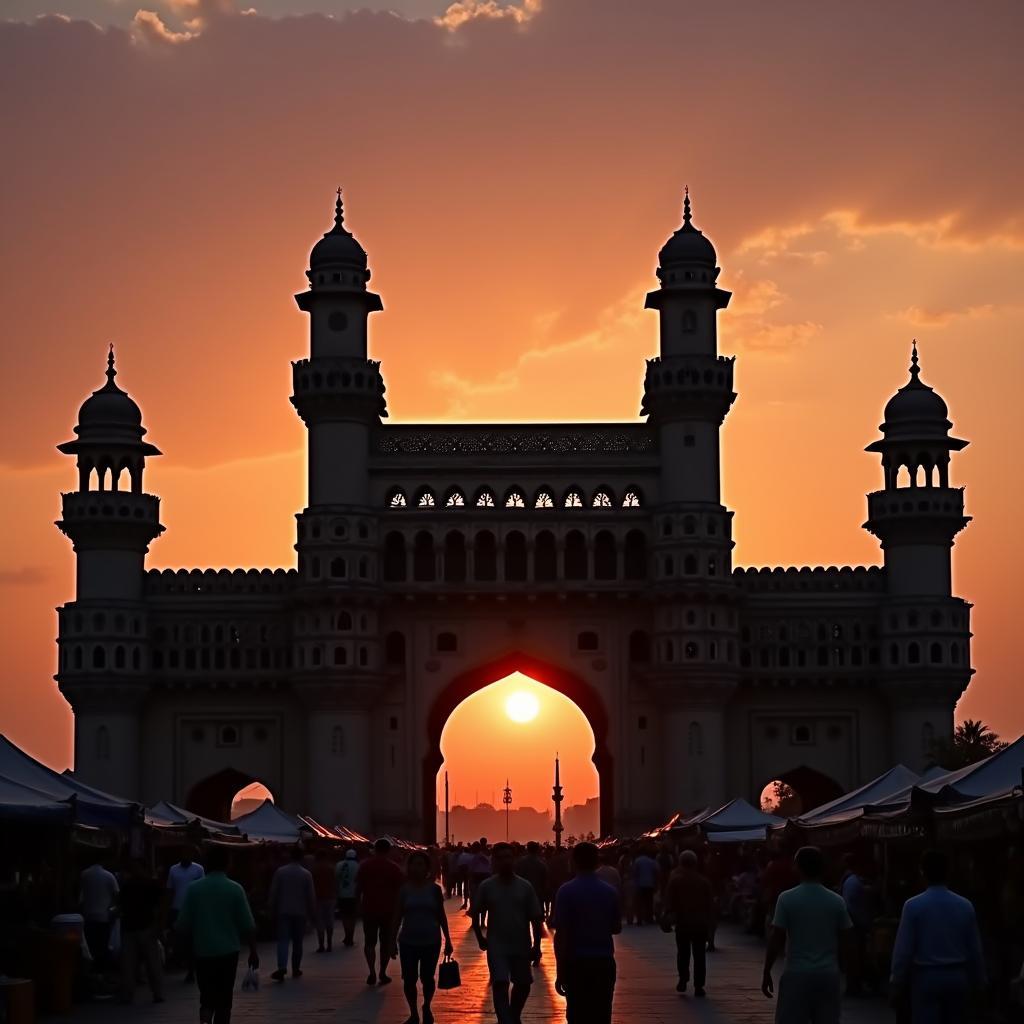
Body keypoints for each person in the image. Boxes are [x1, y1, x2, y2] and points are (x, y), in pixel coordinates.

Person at [890, 849, 986, 1023]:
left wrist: (896, 982)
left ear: (922, 872)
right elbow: (975, 950)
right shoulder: (965, 906)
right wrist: (980, 981)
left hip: (925, 978)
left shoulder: (913, 906)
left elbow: (903, 951)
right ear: (948, 872)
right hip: (958, 977)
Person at [761, 846, 853, 1024]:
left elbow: (776, 937)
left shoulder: (786, 899)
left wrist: (767, 970)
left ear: (798, 867)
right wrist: (849, 974)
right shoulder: (836, 900)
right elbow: (848, 939)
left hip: (797, 974)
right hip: (827, 975)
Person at [176, 844, 259, 1024]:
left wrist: (183, 949)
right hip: (228, 953)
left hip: (202, 951)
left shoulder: (193, 889)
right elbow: (248, 924)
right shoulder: (235, 889)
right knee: (224, 1001)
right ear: (227, 864)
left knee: (206, 999)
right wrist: (253, 951)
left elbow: (182, 925)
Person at [473, 842, 544, 1024]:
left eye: (508, 857)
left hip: (521, 944)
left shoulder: (525, 887)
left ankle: (513, 1015)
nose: (505, 862)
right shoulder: (487, 886)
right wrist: (480, 936)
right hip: (497, 945)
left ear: (514, 860)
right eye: (501, 858)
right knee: (500, 983)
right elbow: (476, 913)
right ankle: (505, 1020)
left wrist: (537, 945)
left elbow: (536, 918)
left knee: (523, 984)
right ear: (494, 861)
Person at [552, 842, 621, 1024]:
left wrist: (560, 971)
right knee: (602, 1013)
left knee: (577, 1013)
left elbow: (562, 935)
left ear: (574, 861)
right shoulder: (610, 892)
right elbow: (616, 927)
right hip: (603, 961)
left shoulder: (566, 892)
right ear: (597, 861)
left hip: (577, 963)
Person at [394, 850, 454, 1024]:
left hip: (431, 941)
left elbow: (441, 915)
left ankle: (427, 1005)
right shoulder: (404, 890)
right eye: (413, 864)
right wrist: (391, 941)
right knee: (409, 979)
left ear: (427, 867)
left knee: (427, 978)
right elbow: (397, 916)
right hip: (407, 941)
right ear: (409, 866)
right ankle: (413, 1012)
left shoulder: (434, 889)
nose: (416, 868)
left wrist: (448, 940)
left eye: (420, 864)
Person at [666, 849, 713, 997]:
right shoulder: (703, 881)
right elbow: (710, 905)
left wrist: (666, 917)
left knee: (683, 953)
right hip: (700, 923)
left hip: (683, 923)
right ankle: (699, 985)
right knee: (699, 955)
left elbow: (670, 903)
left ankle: (683, 979)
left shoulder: (675, 881)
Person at [357, 837, 404, 985]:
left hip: (369, 908)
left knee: (369, 942)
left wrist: (358, 906)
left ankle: (371, 971)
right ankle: (382, 972)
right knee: (385, 943)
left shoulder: (364, 866)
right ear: (388, 850)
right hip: (388, 911)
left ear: (374, 849)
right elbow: (400, 892)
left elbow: (358, 888)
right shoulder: (394, 868)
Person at [117, 859, 165, 1005]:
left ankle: (128, 995)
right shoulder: (150, 884)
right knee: (152, 963)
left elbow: (121, 906)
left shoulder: (128, 885)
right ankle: (157, 993)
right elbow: (159, 906)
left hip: (133, 928)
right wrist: (159, 927)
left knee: (130, 964)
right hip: (145, 927)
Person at [268, 844, 316, 981]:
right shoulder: (306, 874)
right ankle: (296, 968)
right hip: (300, 912)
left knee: (283, 940)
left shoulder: (280, 872)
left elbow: (274, 892)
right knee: (297, 942)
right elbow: (311, 896)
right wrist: (313, 914)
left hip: (283, 911)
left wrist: (271, 908)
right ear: (302, 858)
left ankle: (282, 966)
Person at [166, 846, 205, 980]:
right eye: (184, 852)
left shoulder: (198, 869)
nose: (186, 855)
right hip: (177, 909)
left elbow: (202, 890)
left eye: (189, 853)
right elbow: (170, 890)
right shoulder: (173, 869)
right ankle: (184, 963)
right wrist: (168, 909)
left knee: (192, 940)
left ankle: (191, 969)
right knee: (181, 940)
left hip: (194, 909)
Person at [79, 855, 119, 971]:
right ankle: (101, 971)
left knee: (91, 946)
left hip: (88, 916)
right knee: (102, 946)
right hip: (104, 916)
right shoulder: (109, 876)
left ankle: (93, 971)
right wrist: (112, 910)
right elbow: (117, 895)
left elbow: (81, 897)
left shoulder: (84, 874)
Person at [311, 849, 336, 953]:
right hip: (330, 897)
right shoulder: (331, 868)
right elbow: (335, 883)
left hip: (318, 898)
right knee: (329, 921)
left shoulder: (314, 869)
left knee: (320, 922)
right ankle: (329, 944)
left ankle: (321, 945)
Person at [335, 848, 360, 947]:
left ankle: (347, 935)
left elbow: (336, 879)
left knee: (345, 916)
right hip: (354, 894)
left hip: (342, 894)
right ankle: (350, 936)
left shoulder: (339, 865)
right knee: (352, 917)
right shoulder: (358, 866)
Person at [516, 842, 548, 910]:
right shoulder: (542, 863)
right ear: (537, 849)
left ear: (527, 849)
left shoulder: (520, 862)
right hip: (537, 894)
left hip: (523, 894)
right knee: (537, 918)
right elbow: (545, 880)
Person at [631, 845, 659, 925]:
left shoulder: (637, 861)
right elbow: (656, 872)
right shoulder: (651, 861)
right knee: (649, 902)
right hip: (650, 884)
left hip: (640, 884)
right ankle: (649, 918)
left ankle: (639, 919)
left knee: (640, 903)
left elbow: (635, 873)